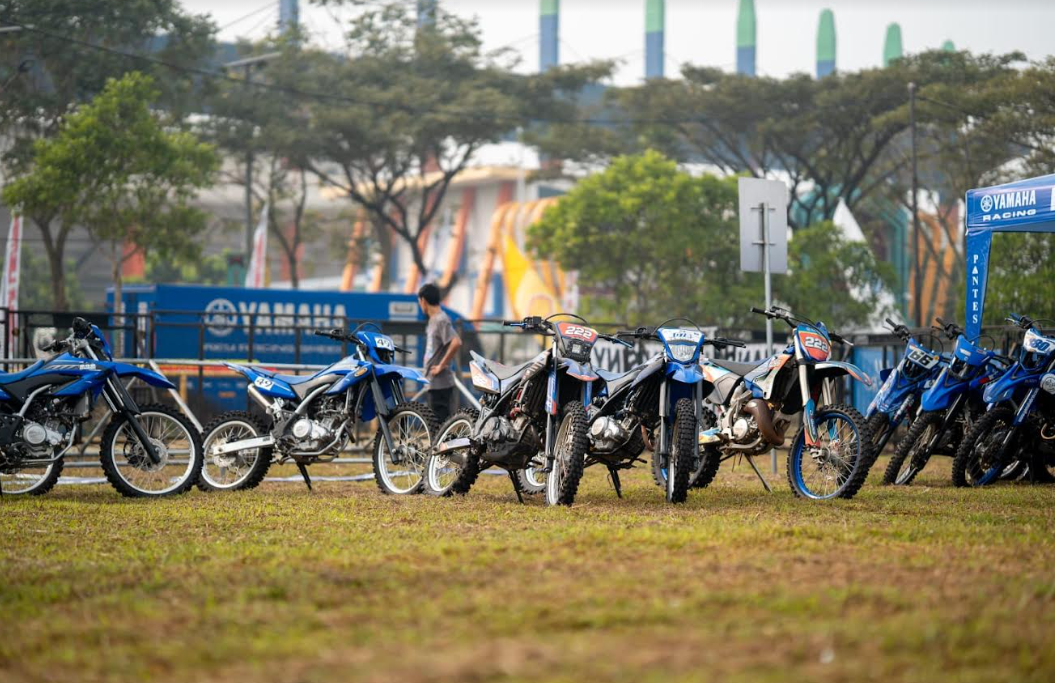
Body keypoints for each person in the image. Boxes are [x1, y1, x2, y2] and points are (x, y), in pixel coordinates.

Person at [417, 282, 462, 422]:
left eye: (419, 301)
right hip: (432, 382)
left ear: (423, 301)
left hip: (440, 384)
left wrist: (442, 365)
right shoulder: (433, 320)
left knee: (440, 425)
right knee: (435, 424)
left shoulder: (441, 319)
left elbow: (456, 342)